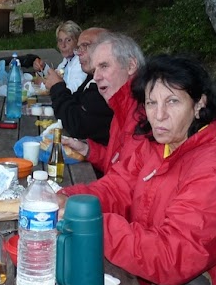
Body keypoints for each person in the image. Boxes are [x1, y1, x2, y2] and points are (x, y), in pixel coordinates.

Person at [59, 54, 216, 285]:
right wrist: (65, 198)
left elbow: (171, 257)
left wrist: (89, 223)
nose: (159, 115)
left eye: (172, 101)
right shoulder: (157, 144)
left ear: (199, 104)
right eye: (151, 103)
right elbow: (117, 187)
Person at [62, 32, 145, 174]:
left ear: (131, 66)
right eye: (95, 70)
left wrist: (67, 194)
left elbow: (124, 184)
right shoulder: (121, 107)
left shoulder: (145, 114)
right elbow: (116, 162)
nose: (96, 77)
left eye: (104, 66)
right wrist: (87, 149)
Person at [42, 27, 114, 144]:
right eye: (79, 48)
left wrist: (57, 87)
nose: (79, 53)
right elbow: (74, 103)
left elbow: (77, 125)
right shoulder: (91, 77)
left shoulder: (105, 85)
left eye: (85, 46)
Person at [34, 20, 88, 93]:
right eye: (60, 41)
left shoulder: (81, 63)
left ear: (77, 42)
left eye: (68, 40)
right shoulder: (67, 61)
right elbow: (57, 74)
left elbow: (73, 89)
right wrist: (43, 68)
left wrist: (44, 84)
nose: (63, 45)